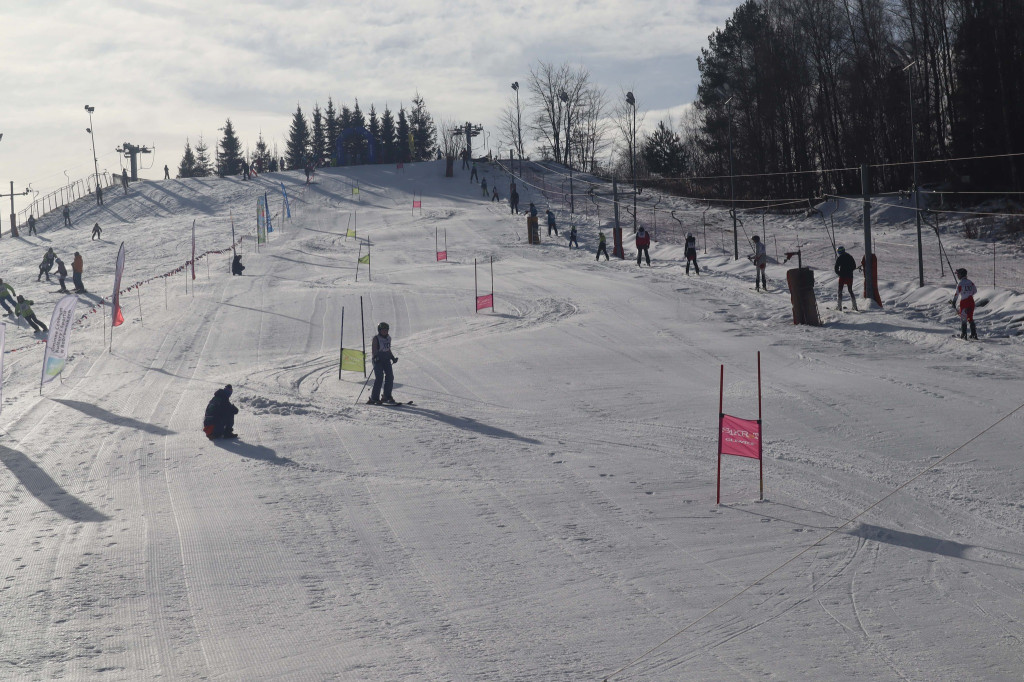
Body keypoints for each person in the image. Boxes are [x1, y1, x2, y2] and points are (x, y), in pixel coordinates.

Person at [368, 322, 399, 405]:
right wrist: (375, 357)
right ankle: (374, 398)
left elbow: (388, 349)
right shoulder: (376, 338)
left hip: (386, 358)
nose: (385, 332)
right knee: (379, 378)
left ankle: (386, 396)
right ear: (379, 330)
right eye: (383, 330)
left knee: (390, 376)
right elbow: (374, 349)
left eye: (386, 330)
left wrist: (392, 357)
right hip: (378, 359)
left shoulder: (388, 338)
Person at [952, 268, 978, 339]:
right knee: (970, 317)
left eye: (958, 274)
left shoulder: (960, 284)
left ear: (961, 275)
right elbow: (975, 291)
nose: (957, 276)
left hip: (964, 302)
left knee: (963, 318)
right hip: (971, 301)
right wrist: (969, 293)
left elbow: (956, 294)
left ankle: (964, 334)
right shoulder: (970, 282)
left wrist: (954, 302)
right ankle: (974, 334)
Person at [834, 245, 858, 310]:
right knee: (850, 290)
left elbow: (836, 268)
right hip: (850, 276)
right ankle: (855, 306)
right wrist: (849, 270)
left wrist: (839, 273)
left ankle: (839, 306)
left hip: (842, 277)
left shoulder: (839, 258)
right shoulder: (850, 257)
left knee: (840, 291)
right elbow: (854, 266)